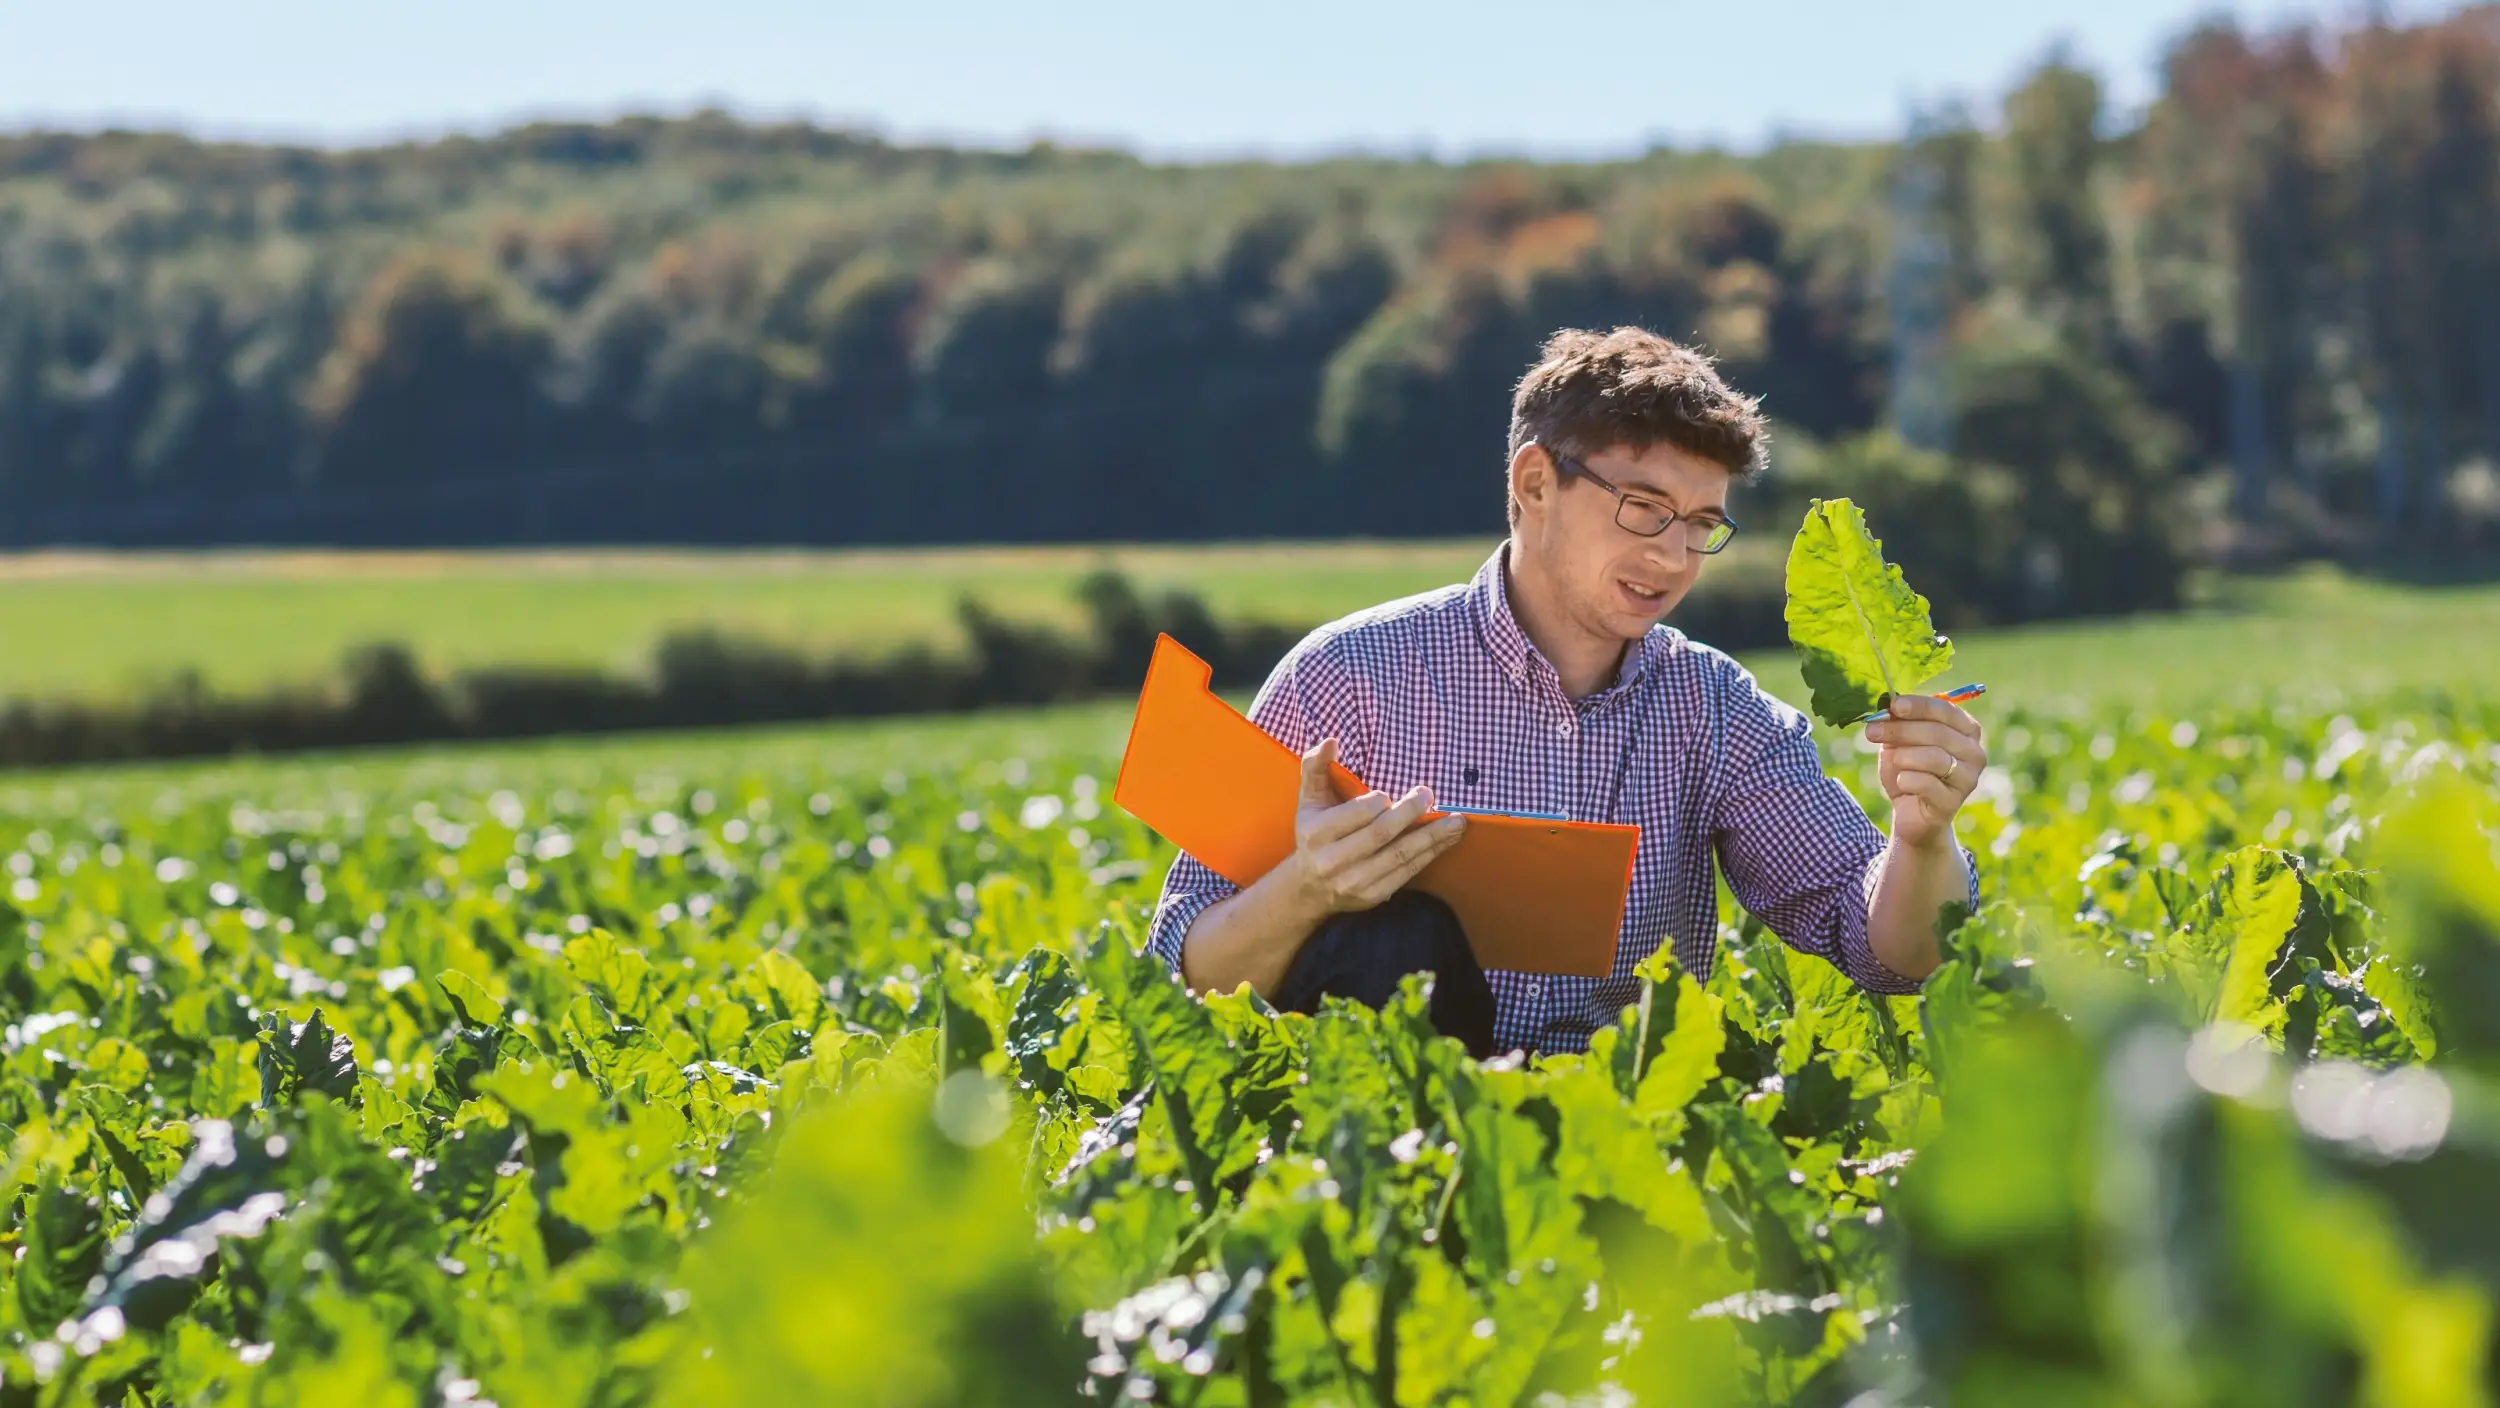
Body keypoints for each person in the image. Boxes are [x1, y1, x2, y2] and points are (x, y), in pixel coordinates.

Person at [1145, 326, 1987, 1057]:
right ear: (1535, 483)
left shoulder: (1715, 711)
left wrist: (1920, 838)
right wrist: (1308, 892)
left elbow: (1894, 956)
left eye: (1702, 525)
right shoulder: (1350, 678)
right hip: (1382, 1160)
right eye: (1643, 507)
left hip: (1619, 1153)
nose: (1673, 557)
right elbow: (1183, 976)